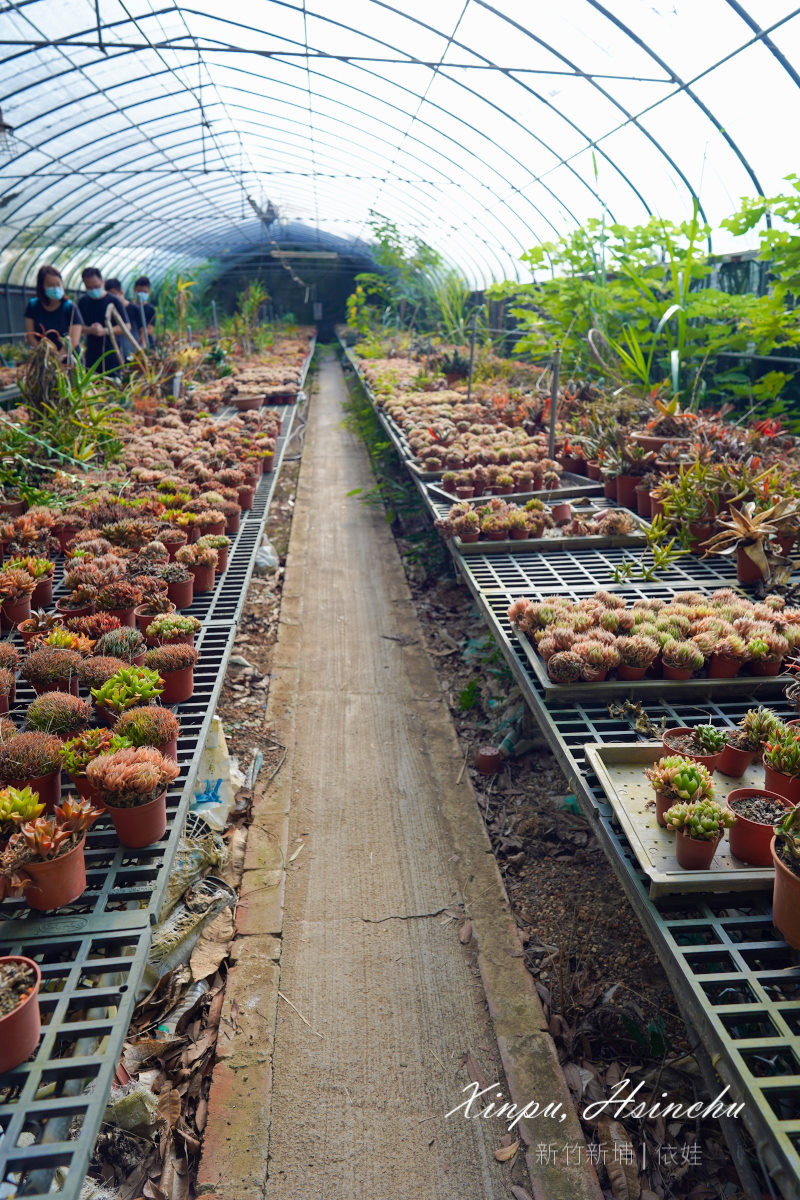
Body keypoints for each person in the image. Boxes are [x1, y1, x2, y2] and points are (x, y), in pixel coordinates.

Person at [23, 265, 83, 356]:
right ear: (42, 287)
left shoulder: (70, 307)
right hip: (44, 359)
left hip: (68, 359)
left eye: (58, 284)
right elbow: (30, 336)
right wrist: (45, 356)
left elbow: (73, 340)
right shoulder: (33, 306)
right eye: (50, 285)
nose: (55, 288)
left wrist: (58, 358)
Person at [78, 267, 129, 372]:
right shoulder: (83, 302)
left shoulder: (113, 300)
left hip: (112, 353)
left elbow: (126, 326)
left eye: (96, 286)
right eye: (89, 287)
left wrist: (105, 331)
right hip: (92, 354)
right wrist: (91, 330)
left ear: (103, 282)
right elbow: (77, 326)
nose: (93, 290)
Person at [104, 277, 139, 362]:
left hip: (131, 347)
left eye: (113, 294)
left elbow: (140, 329)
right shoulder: (109, 309)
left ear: (121, 292)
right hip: (117, 348)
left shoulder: (133, 308)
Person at [127, 276, 156, 348]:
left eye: (145, 292)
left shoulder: (151, 310)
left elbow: (149, 331)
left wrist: (139, 332)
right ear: (134, 290)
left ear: (149, 292)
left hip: (147, 343)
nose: (142, 294)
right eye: (139, 291)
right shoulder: (129, 307)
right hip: (131, 343)